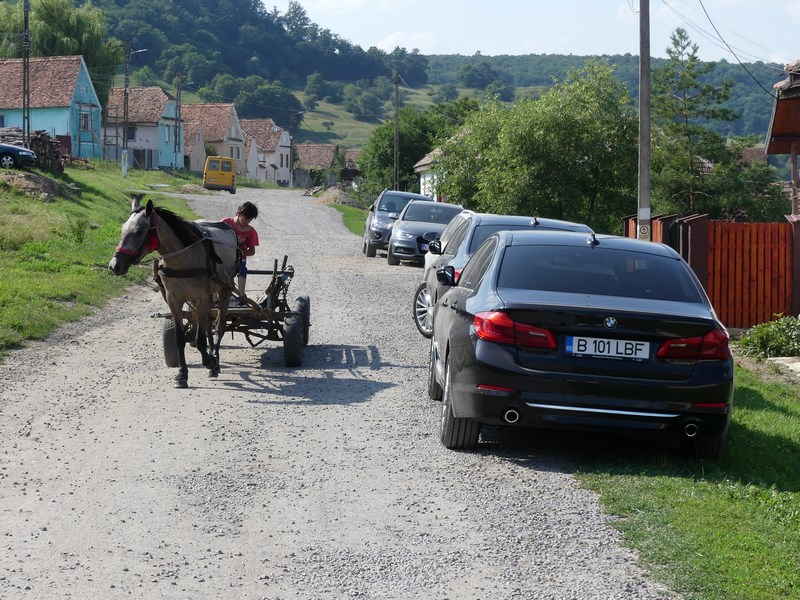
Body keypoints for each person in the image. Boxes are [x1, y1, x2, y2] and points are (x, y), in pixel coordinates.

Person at [222, 201, 259, 302]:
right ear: (238, 213)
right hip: (223, 256)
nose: (247, 222)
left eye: (250, 220)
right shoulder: (225, 223)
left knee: (242, 269)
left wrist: (240, 251)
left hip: (239, 258)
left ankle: (241, 296)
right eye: (246, 218)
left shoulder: (251, 231)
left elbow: (252, 252)